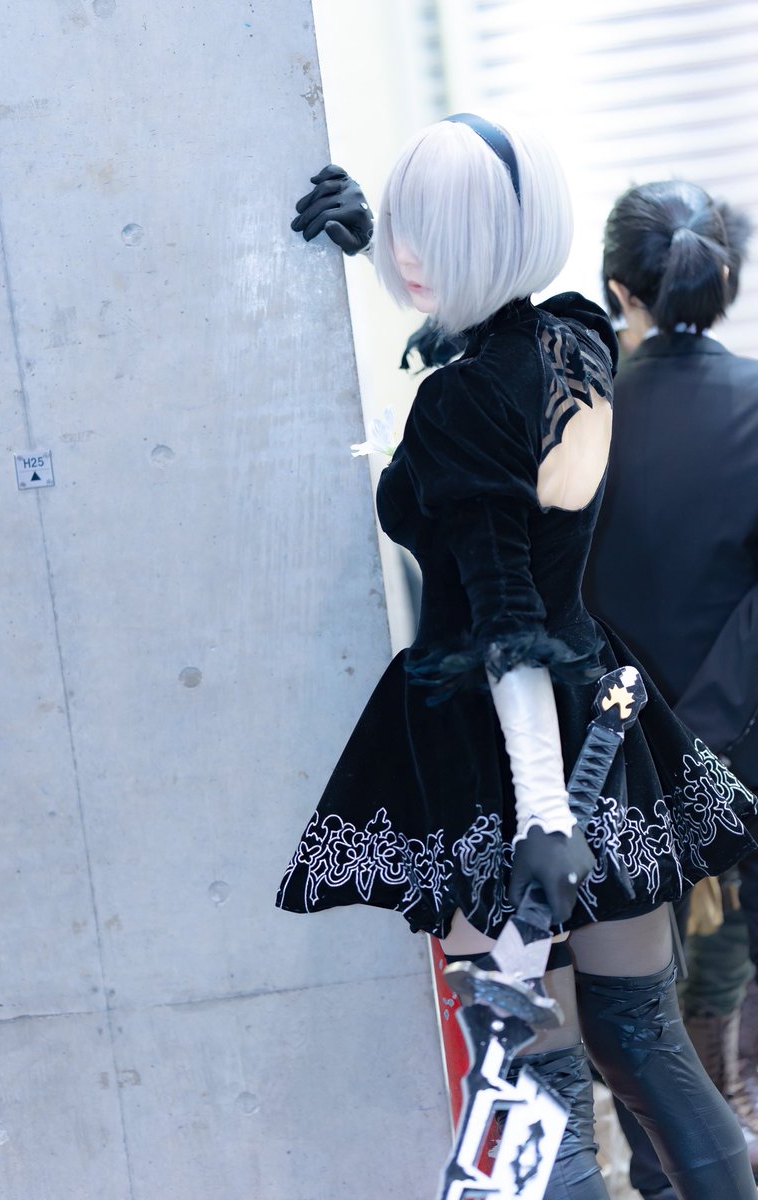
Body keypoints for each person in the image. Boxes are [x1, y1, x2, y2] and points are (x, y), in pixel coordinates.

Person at [277, 115, 758, 1198]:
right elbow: (491, 360)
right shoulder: (576, 337)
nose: (410, 251)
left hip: (498, 755)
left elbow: (506, 624)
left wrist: (542, 816)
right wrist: (370, 256)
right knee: (647, 1049)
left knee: (535, 1092)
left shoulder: (457, 407)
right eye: (404, 226)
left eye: (428, 232)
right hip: (601, 723)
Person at [583, 179, 758, 1199]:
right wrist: (713, 725)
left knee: (641, 1013)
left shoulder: (577, 416)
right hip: (745, 743)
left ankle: (665, 1181)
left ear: (620, 288)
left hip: (619, 754)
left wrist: (652, 730)